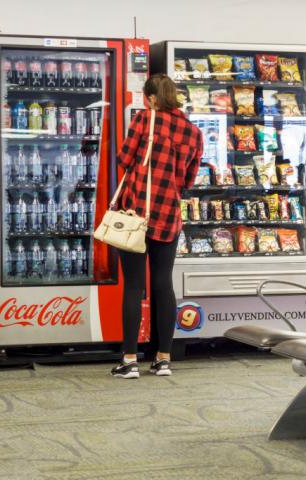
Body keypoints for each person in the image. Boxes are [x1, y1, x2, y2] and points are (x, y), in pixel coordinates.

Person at [111, 74, 202, 379]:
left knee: (135, 286)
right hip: (169, 216)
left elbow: (123, 158)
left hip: (136, 213)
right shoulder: (193, 131)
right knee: (164, 285)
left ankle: (129, 360)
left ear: (150, 98)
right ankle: (163, 359)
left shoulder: (143, 120)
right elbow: (188, 180)